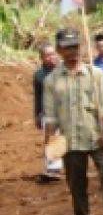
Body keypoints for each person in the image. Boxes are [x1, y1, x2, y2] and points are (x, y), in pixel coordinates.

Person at [42, 29, 103, 215]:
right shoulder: (51, 81)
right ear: (59, 50)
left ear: (80, 48)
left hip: (97, 135)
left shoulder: (96, 74)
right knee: (76, 180)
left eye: (75, 47)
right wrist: (51, 140)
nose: (72, 52)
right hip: (69, 139)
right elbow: (50, 114)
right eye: (67, 48)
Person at [33, 43, 62, 178]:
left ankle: (58, 167)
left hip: (65, 110)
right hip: (48, 112)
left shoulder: (62, 70)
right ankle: (52, 168)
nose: (51, 57)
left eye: (53, 54)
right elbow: (38, 96)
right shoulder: (39, 75)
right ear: (42, 58)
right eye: (48, 55)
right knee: (51, 138)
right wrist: (37, 114)